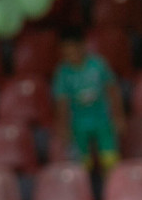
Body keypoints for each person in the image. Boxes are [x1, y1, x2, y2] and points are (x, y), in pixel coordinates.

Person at [52, 27, 124, 171]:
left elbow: (112, 90)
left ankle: (112, 190)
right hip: (78, 124)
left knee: (110, 160)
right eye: (67, 53)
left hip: (103, 119)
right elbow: (62, 102)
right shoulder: (63, 73)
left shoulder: (98, 65)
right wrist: (63, 126)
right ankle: (85, 191)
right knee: (81, 164)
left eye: (74, 51)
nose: (72, 56)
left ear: (83, 46)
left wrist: (118, 116)